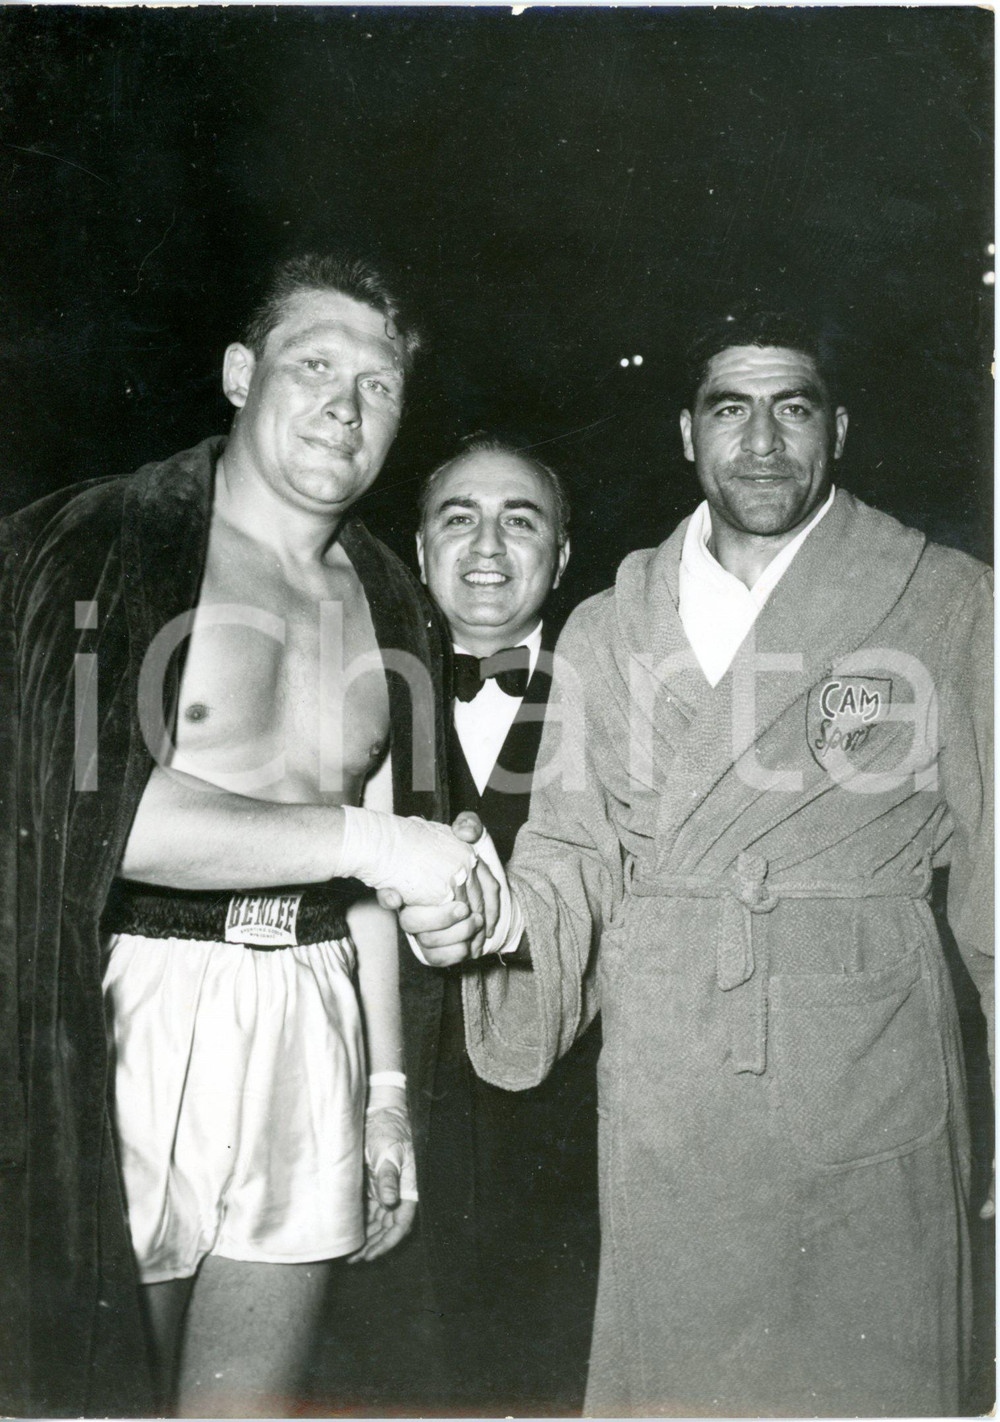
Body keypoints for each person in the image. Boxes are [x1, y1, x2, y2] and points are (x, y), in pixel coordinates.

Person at [397, 309, 994, 1417]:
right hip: (672, 1072)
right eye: (731, 408)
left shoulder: (946, 602)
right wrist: (496, 921)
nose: (761, 441)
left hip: (866, 1061)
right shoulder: (608, 626)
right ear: (686, 433)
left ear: (839, 428)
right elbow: (572, 852)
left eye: (792, 407)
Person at [0, 252, 500, 1418]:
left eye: (377, 385)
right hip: (129, 1005)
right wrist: (376, 851)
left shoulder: (387, 594)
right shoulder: (109, 539)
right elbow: (99, 822)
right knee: (96, 1392)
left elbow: (382, 846)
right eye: (313, 365)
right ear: (239, 373)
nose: (345, 403)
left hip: (311, 1013)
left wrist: (383, 1091)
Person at [416, 440, 600, 1414]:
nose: (487, 545)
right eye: (458, 517)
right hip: (393, 1138)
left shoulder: (614, 701)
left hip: (563, 1156)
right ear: (416, 548)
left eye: (520, 519)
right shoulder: (347, 691)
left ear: (563, 557)